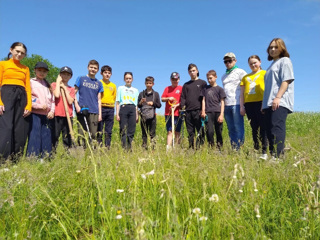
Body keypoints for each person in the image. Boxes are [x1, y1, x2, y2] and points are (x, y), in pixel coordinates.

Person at [262, 38, 294, 160]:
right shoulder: (270, 66)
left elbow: (286, 80)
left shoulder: (285, 61)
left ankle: (279, 157)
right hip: (268, 103)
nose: (273, 49)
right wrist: (263, 104)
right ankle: (273, 155)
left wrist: (278, 97)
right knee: (269, 130)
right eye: (271, 47)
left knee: (276, 128)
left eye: (276, 47)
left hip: (280, 101)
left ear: (282, 48)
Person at [0, 42, 31, 160]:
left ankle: (16, 159)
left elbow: (28, 87)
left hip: (22, 95)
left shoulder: (25, 68)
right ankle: (3, 159)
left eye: (22, 53)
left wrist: (29, 105)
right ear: (11, 50)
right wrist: (0, 102)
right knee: (6, 127)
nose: (19, 54)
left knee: (20, 127)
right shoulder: (2, 64)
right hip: (6, 94)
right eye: (17, 51)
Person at [240, 55, 268, 160]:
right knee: (254, 128)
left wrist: (265, 104)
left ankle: (264, 151)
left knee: (263, 127)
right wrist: (242, 107)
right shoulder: (245, 78)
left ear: (260, 62)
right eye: (251, 64)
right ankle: (256, 149)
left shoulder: (265, 73)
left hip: (261, 102)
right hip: (249, 104)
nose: (253, 65)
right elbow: (242, 93)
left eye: (255, 62)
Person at [26, 62, 55, 158]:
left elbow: (53, 100)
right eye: (39, 70)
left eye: (44, 71)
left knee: (46, 135)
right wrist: (38, 106)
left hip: (46, 115)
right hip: (35, 113)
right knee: (35, 134)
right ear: (34, 70)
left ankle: (46, 157)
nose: (41, 73)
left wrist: (52, 111)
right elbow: (28, 98)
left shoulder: (48, 85)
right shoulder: (31, 82)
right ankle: (32, 156)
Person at [74, 60, 103, 146]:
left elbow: (99, 100)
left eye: (95, 68)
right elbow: (73, 94)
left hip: (94, 111)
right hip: (82, 109)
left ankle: (90, 152)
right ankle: (81, 152)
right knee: (82, 133)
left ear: (98, 70)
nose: (93, 69)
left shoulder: (99, 83)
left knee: (93, 134)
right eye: (91, 67)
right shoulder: (81, 78)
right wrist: (77, 106)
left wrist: (100, 114)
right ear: (88, 67)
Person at [221, 52, 247, 150]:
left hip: (237, 103)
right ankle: (233, 147)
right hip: (227, 104)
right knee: (231, 128)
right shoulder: (224, 76)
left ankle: (239, 148)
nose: (228, 63)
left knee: (238, 127)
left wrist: (243, 104)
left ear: (235, 60)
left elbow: (246, 86)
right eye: (225, 61)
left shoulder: (240, 72)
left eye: (230, 61)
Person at [180, 63, 207, 149]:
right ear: (188, 72)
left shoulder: (202, 83)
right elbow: (183, 97)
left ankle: (200, 147)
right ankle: (191, 147)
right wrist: (182, 107)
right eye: (190, 71)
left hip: (198, 110)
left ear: (197, 71)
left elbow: (205, 97)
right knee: (190, 131)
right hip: (188, 111)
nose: (192, 72)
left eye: (194, 70)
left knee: (200, 130)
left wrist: (203, 110)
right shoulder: (186, 85)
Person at [201, 70, 226, 149]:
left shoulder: (220, 89)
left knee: (219, 131)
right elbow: (203, 100)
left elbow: (222, 102)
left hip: (217, 112)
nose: (209, 80)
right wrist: (203, 111)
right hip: (208, 112)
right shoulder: (205, 89)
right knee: (209, 131)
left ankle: (219, 148)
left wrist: (222, 114)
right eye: (208, 78)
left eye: (211, 78)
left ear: (216, 77)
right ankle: (211, 148)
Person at [51, 66, 75, 148]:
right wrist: (58, 83)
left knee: (67, 137)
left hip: (68, 115)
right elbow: (56, 95)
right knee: (54, 136)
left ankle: (68, 154)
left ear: (70, 77)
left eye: (68, 75)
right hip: (57, 114)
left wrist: (65, 89)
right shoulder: (54, 85)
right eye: (63, 74)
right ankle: (52, 154)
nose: (65, 76)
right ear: (60, 75)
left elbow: (70, 101)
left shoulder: (71, 89)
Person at [116, 72, 139, 150]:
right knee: (123, 129)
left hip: (132, 108)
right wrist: (117, 114)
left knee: (131, 129)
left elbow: (136, 104)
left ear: (132, 79)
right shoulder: (120, 88)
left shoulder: (135, 90)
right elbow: (118, 101)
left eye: (130, 78)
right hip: (123, 108)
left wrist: (137, 114)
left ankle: (130, 148)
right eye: (127, 78)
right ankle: (124, 148)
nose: (128, 80)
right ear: (124, 79)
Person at [138, 76, 161, 149]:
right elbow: (138, 105)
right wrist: (141, 102)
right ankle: (144, 149)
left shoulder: (156, 94)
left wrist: (153, 103)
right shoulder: (141, 94)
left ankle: (153, 149)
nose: (148, 85)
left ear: (153, 84)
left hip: (152, 117)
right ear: (145, 84)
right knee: (144, 134)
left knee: (152, 134)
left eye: (150, 83)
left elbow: (159, 105)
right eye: (147, 83)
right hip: (143, 116)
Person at [161, 72, 183, 151]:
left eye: (176, 79)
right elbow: (162, 99)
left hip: (178, 113)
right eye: (173, 79)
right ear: (171, 79)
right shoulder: (167, 88)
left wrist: (177, 105)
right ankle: (168, 149)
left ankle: (177, 148)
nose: (175, 81)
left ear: (179, 79)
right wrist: (168, 98)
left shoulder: (181, 88)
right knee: (169, 131)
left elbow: (183, 101)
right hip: (169, 113)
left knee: (177, 131)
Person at [97, 65, 116, 148]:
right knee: (99, 129)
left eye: (109, 73)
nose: (107, 74)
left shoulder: (113, 85)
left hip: (110, 109)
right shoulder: (98, 83)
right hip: (101, 108)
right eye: (105, 73)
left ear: (111, 74)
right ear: (101, 73)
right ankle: (99, 147)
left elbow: (114, 97)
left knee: (108, 130)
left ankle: (107, 147)